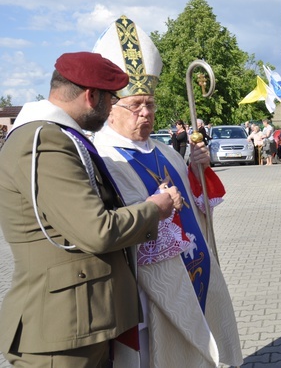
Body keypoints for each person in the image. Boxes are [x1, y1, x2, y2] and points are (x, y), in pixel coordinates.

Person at [0, 51, 179, 367]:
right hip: (61, 328)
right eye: (110, 98)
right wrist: (154, 209)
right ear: (91, 95)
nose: (112, 107)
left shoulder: (60, 136)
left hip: (80, 320)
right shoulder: (43, 140)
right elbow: (97, 231)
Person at [91, 15, 243, 367]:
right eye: (136, 106)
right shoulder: (102, 158)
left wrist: (196, 169)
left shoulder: (168, 153)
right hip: (151, 291)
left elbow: (198, 206)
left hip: (196, 269)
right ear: (111, 108)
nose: (146, 114)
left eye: (150, 104)